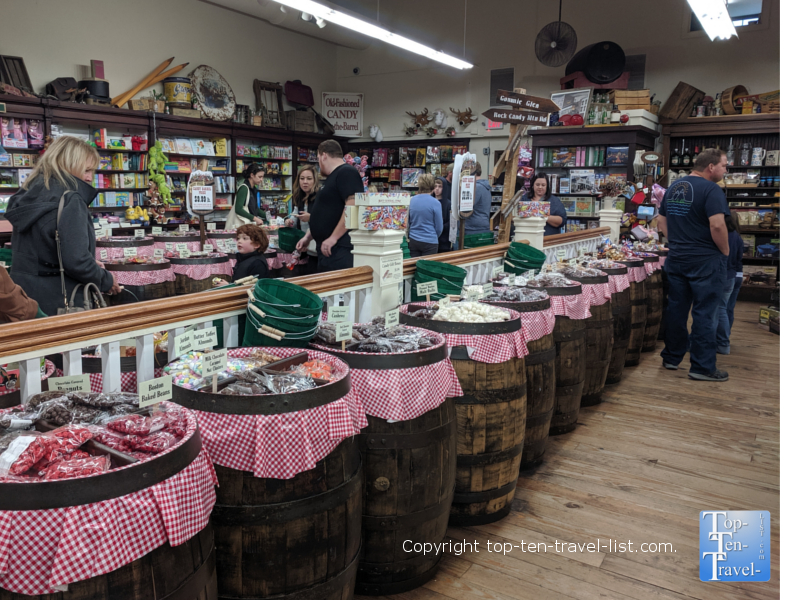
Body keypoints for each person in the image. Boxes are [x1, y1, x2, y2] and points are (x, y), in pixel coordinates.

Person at [5, 136, 122, 316]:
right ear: (69, 165)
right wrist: (107, 280)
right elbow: (77, 262)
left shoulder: (28, 192)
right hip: (61, 299)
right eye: (87, 170)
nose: (90, 177)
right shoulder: (70, 199)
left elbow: (43, 250)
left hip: (23, 297)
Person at [658, 148, 730, 382]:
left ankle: (671, 357)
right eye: (724, 166)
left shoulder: (673, 188)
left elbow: (661, 220)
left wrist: (676, 242)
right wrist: (725, 251)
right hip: (705, 261)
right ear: (711, 167)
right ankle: (702, 367)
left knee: (676, 310)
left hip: (677, 258)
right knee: (705, 314)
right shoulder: (711, 189)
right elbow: (717, 225)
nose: (725, 170)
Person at [296, 140, 363, 273]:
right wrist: (308, 237)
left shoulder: (346, 172)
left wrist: (334, 237)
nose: (319, 164)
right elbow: (327, 214)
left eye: (318, 158)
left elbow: (353, 207)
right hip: (328, 248)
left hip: (339, 248)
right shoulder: (334, 176)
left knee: (338, 291)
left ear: (324, 155)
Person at [716, 213, 744, 355]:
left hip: (724, 275)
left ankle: (722, 343)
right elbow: (739, 259)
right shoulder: (738, 237)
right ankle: (724, 338)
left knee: (720, 309)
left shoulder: (721, 235)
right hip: (736, 275)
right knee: (728, 309)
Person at [286, 165, 319, 274]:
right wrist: (289, 221)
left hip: (316, 249)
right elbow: (294, 215)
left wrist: (311, 218)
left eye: (309, 179)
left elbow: (325, 220)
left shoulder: (319, 197)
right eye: (302, 178)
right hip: (304, 247)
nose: (305, 182)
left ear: (315, 180)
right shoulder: (299, 197)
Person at [407, 174, 443, 257]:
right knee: (427, 268)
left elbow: (408, 222)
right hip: (430, 241)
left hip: (414, 239)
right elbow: (439, 227)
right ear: (432, 186)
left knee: (413, 267)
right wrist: (433, 235)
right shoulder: (436, 203)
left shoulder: (412, 200)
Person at [226, 163, 266, 229]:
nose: (261, 179)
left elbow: (255, 209)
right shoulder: (244, 188)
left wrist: (269, 216)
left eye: (262, 177)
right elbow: (238, 209)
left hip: (248, 226)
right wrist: (255, 218)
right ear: (252, 175)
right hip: (240, 226)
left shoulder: (253, 189)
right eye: (259, 177)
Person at [463, 162, 492, 236]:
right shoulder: (485, 186)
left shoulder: (476, 187)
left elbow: (466, 208)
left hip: (473, 228)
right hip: (481, 225)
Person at [434, 176, 452, 252]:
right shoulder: (431, 201)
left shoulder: (448, 203)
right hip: (431, 239)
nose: (437, 188)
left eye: (440, 186)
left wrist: (439, 227)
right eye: (435, 186)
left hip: (444, 240)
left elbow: (450, 222)